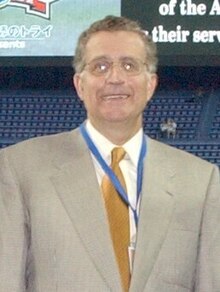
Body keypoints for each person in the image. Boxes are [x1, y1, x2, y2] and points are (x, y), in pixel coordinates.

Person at [0, 15, 220, 292]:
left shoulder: (202, 180)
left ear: (150, 84)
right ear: (80, 84)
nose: (115, 78)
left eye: (129, 65)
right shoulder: (20, 169)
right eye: (100, 66)